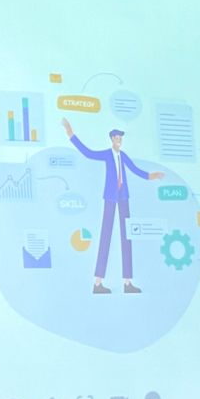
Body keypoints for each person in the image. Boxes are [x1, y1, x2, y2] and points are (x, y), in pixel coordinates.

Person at [64, 117, 163, 294]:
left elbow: (135, 169)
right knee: (106, 236)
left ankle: (127, 282)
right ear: (112, 139)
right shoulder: (107, 154)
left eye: (120, 138)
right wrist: (71, 135)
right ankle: (98, 282)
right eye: (117, 138)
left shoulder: (123, 156)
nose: (119, 140)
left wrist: (150, 176)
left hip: (123, 196)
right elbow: (88, 153)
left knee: (127, 237)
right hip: (111, 196)